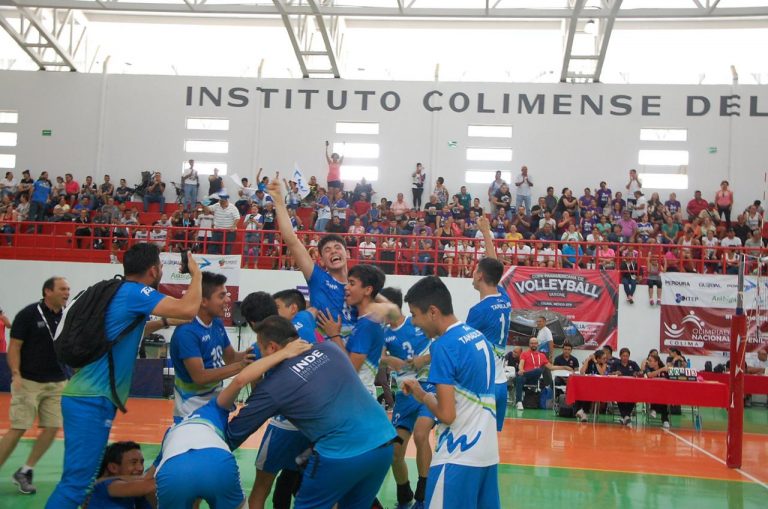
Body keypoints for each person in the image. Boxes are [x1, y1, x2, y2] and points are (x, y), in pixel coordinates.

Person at [46, 243, 203, 508]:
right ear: (153, 270)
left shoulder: (118, 291)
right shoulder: (135, 292)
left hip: (89, 397)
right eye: (161, 267)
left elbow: (127, 331)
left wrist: (164, 322)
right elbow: (188, 309)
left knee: (81, 480)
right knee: (75, 485)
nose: (162, 271)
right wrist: (196, 274)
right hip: (91, 400)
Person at [227, 316, 397, 508]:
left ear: (273, 348)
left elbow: (233, 434)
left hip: (341, 453)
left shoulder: (275, 386)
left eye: (261, 348)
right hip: (384, 441)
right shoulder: (329, 348)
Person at [155, 334, 311, 509]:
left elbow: (151, 478)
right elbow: (239, 380)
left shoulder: (172, 430)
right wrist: (283, 353)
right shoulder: (214, 408)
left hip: (174, 468)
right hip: (216, 460)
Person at [402, 276, 500, 509]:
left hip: (457, 457)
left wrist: (422, 395)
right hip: (487, 456)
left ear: (433, 311)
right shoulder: (479, 337)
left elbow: (447, 415)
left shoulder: (444, 345)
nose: (414, 323)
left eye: (415, 315)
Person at [0, 277, 70, 495]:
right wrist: (16, 373)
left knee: (52, 427)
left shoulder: (68, 317)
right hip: (28, 381)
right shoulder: (28, 314)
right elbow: (15, 347)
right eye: (62, 289)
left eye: (68, 289)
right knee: (19, 427)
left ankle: (26, 470)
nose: (67, 292)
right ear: (47, 291)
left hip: (57, 382)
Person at [269, 176, 357, 340]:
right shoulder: (317, 278)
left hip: (357, 357)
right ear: (322, 260)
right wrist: (279, 201)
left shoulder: (361, 283)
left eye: (338, 248)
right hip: (327, 353)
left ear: (348, 254)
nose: (333, 251)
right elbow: (292, 241)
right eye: (327, 250)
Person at [170, 271, 254, 423]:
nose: (228, 300)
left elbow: (231, 358)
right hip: (191, 410)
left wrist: (257, 351)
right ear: (203, 301)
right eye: (221, 296)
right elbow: (200, 377)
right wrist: (241, 366)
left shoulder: (216, 323)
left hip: (215, 404)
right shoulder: (187, 332)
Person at [379, 287, 434, 509]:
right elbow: (379, 357)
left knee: (421, 436)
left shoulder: (418, 322)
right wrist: (391, 361)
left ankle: (423, 495)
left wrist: (423, 359)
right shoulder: (384, 332)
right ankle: (404, 494)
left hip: (429, 389)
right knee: (395, 452)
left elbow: (442, 346)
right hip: (405, 395)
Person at [466, 217, 512, 431]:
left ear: (481, 276)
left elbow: (465, 350)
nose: (472, 274)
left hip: (484, 386)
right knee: (491, 446)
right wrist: (486, 233)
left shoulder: (478, 311)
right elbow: (495, 268)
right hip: (501, 384)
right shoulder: (504, 299)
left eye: (475, 271)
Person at [317, 264, 387, 397]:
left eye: (352, 283)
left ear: (367, 290)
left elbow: (351, 369)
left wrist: (334, 335)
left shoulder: (367, 325)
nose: (346, 287)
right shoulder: (366, 321)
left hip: (358, 395)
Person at [87, 441, 155, 508]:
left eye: (141, 462)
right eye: (133, 462)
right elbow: (150, 486)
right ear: (113, 468)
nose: (140, 468)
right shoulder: (105, 485)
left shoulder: (135, 492)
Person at [514, 336, 555, 411]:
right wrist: (520, 369)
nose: (533, 345)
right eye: (532, 343)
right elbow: (521, 364)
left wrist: (564, 367)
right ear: (529, 344)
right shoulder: (524, 354)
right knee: (520, 378)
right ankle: (519, 402)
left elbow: (551, 367)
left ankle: (522, 374)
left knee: (538, 370)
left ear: (538, 344)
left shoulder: (542, 356)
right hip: (525, 378)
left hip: (534, 379)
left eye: (535, 343)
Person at [609, 347, 641, 426]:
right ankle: (626, 416)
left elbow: (640, 372)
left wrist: (636, 373)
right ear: (620, 356)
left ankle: (624, 417)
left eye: (627, 356)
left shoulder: (633, 363)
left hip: (631, 388)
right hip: (619, 388)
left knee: (634, 397)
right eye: (623, 356)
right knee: (620, 396)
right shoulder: (615, 363)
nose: (625, 357)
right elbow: (608, 373)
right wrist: (615, 373)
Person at [643, 353, 671, 429]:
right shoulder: (648, 368)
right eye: (648, 360)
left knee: (663, 397)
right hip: (651, 391)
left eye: (651, 361)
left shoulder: (665, 369)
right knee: (658, 394)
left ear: (656, 362)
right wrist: (661, 370)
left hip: (664, 392)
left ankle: (663, 418)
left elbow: (670, 378)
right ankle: (660, 415)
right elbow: (650, 375)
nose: (648, 362)